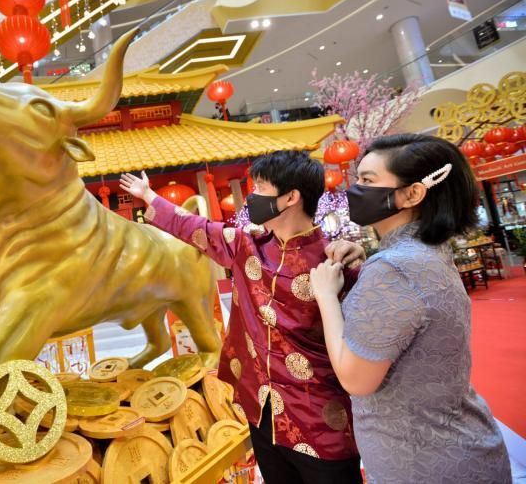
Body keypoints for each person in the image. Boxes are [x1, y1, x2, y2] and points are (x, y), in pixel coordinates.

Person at [120, 151, 365, 484]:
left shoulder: (335, 261)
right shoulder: (247, 245)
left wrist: (360, 258)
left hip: (321, 424)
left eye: (260, 188)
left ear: (290, 197)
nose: (252, 197)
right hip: (262, 414)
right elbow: (194, 227)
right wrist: (149, 196)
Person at [309, 134, 512, 483]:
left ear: (413, 193)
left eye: (368, 180)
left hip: (423, 463)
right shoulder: (420, 253)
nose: (354, 190)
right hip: (459, 446)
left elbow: (355, 379)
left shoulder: (393, 268)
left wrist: (326, 295)